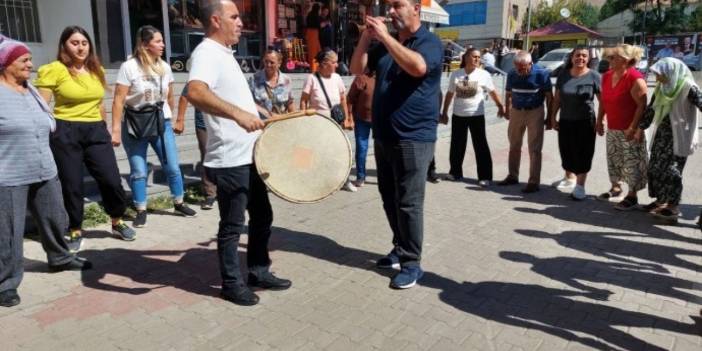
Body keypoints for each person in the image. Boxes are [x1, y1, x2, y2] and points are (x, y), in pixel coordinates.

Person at [186, 0, 291, 306]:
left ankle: (258, 271)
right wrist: (238, 115)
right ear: (216, 20)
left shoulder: (225, 54)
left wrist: (258, 111)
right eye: (234, 16)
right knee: (232, 225)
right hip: (230, 158)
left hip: (249, 154)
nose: (241, 22)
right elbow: (195, 92)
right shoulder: (206, 52)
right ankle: (231, 283)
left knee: (262, 215)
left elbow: (234, 97)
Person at [350, 0, 443, 289]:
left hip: (414, 137)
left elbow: (417, 67)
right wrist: (366, 38)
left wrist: (387, 38)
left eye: (397, 5)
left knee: (409, 203)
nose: (390, 11)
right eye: (388, 6)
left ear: (416, 8)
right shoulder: (385, 46)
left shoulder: (429, 42)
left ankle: (412, 263)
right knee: (389, 198)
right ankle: (400, 247)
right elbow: (356, 69)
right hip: (385, 135)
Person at [0, 35, 92, 308]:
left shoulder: (30, 90)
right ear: (6, 63)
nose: (31, 64)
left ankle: (60, 258)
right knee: (8, 231)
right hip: (9, 173)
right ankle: (6, 282)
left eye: (30, 59)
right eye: (24, 60)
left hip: (44, 167)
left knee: (54, 216)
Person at [35, 26, 135, 250]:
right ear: (64, 46)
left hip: (96, 131)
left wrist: (107, 128)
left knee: (111, 179)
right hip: (65, 130)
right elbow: (41, 107)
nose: (80, 47)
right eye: (74, 43)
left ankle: (117, 220)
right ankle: (75, 228)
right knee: (72, 183)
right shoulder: (54, 69)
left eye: (84, 43)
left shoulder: (95, 69)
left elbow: (99, 103)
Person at [111, 25, 197, 228]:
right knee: (139, 170)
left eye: (161, 41)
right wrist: (115, 130)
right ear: (145, 45)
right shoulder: (129, 67)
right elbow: (118, 100)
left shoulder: (165, 67)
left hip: (161, 122)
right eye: (158, 41)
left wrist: (173, 117)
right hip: (134, 124)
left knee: (172, 166)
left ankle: (179, 202)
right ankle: (141, 208)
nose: (163, 45)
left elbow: (169, 95)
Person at [637, 58, 700, 222]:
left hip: (679, 135)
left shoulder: (688, 87)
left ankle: (673, 207)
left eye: (660, 74)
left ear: (671, 72)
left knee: (672, 171)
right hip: (661, 135)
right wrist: (640, 128)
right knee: (655, 168)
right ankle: (660, 201)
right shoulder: (662, 88)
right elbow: (651, 110)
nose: (657, 78)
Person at [596, 44, 648, 210]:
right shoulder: (606, 76)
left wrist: (633, 128)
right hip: (613, 127)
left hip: (629, 129)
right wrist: (599, 120)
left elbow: (642, 105)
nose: (609, 59)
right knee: (614, 160)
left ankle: (632, 197)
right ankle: (616, 188)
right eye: (610, 56)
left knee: (631, 162)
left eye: (613, 57)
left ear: (626, 61)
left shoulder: (635, 79)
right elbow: (603, 100)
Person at [442, 48, 505, 186]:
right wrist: (445, 112)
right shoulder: (456, 74)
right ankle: (455, 172)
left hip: (476, 115)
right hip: (459, 115)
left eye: (478, 57)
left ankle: (485, 176)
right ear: (465, 58)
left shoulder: (484, 74)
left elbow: (493, 92)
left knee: (480, 145)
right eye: (474, 57)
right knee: (457, 145)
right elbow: (449, 94)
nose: (477, 59)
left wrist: (501, 106)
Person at [547, 47, 601, 200]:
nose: (581, 58)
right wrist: (552, 117)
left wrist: (601, 120)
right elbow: (557, 99)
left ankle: (580, 186)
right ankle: (569, 178)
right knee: (566, 150)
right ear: (571, 58)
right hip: (566, 120)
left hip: (586, 121)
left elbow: (602, 101)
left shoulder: (594, 76)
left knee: (584, 153)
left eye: (584, 56)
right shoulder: (563, 75)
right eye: (578, 55)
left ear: (588, 59)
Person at [498, 51, 553, 193]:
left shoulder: (542, 73)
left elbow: (549, 97)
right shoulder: (512, 74)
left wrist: (550, 117)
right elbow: (509, 93)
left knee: (534, 148)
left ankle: (534, 181)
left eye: (523, 68)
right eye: (517, 67)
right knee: (514, 145)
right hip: (516, 111)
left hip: (535, 111)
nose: (520, 71)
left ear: (530, 63)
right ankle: (512, 175)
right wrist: (507, 110)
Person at [300, 49, 354, 191]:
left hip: (336, 122)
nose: (337, 65)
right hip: (317, 124)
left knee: (340, 151)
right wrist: (305, 118)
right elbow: (304, 101)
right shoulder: (311, 79)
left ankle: (344, 180)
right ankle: (317, 182)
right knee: (317, 153)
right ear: (324, 63)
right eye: (334, 62)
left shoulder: (337, 78)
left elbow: (343, 99)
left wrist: (347, 118)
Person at [176, 83, 217, 210]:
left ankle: (227, 190)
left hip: (224, 123)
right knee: (206, 156)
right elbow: (184, 96)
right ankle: (210, 194)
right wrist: (180, 120)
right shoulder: (198, 76)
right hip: (203, 124)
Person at [346, 68, 375, 188]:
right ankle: (360, 177)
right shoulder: (362, 78)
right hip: (361, 119)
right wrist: (349, 117)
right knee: (362, 149)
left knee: (383, 149)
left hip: (380, 120)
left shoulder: (386, 77)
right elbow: (350, 99)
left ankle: (387, 177)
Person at [248, 50, 295, 116]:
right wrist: (267, 114)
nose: (268, 65)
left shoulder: (286, 80)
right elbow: (249, 102)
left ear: (279, 63)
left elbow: (290, 104)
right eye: (266, 61)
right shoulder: (254, 79)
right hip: (262, 123)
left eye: (272, 62)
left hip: (281, 122)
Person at [305, 3, 322, 71]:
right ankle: (314, 68)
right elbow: (318, 26)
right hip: (314, 33)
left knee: (313, 51)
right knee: (314, 52)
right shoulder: (316, 16)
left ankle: (315, 68)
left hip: (309, 33)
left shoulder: (309, 14)